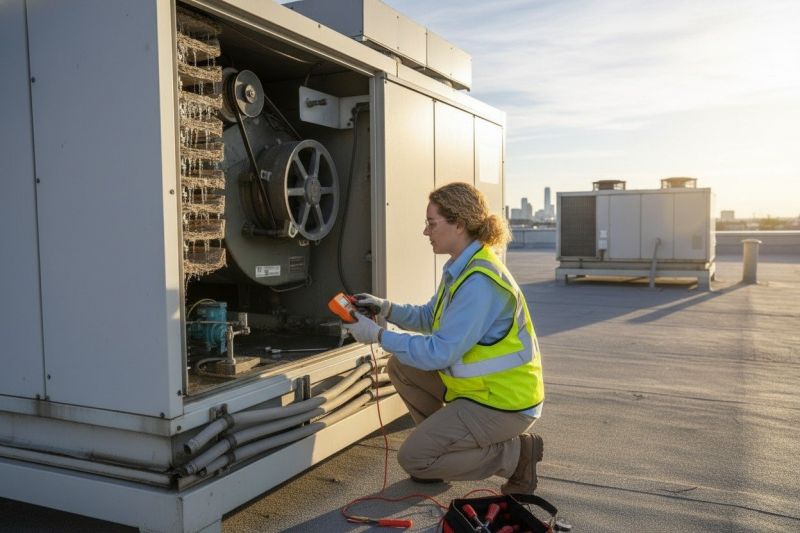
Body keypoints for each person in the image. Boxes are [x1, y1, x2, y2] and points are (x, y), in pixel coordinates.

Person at [343, 182, 545, 494]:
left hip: (504, 403)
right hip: (480, 393)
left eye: (431, 223)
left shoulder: (480, 282)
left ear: (459, 224)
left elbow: (440, 352)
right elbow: (429, 317)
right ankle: (440, 449)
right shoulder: (461, 267)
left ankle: (516, 455)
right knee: (401, 366)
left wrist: (378, 335)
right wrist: (385, 308)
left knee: (414, 460)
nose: (426, 232)